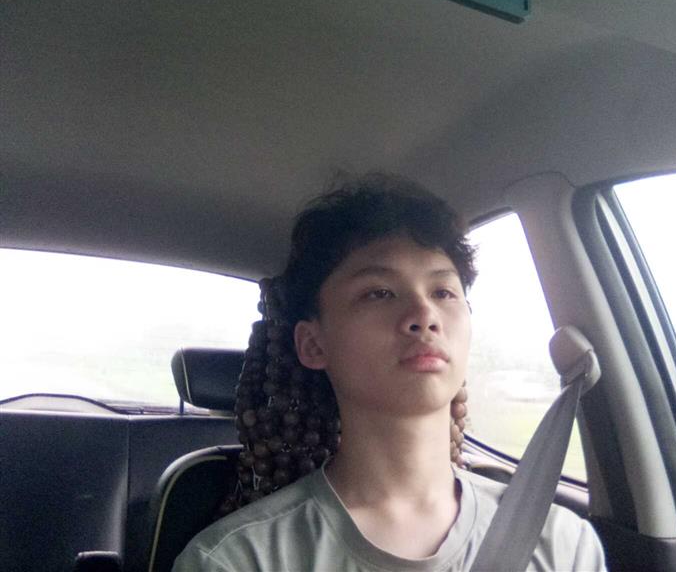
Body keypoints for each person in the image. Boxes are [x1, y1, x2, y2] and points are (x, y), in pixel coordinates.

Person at [173, 174, 606, 571]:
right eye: (379, 293)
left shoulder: (562, 544)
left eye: (443, 291)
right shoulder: (236, 560)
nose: (424, 315)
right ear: (313, 344)